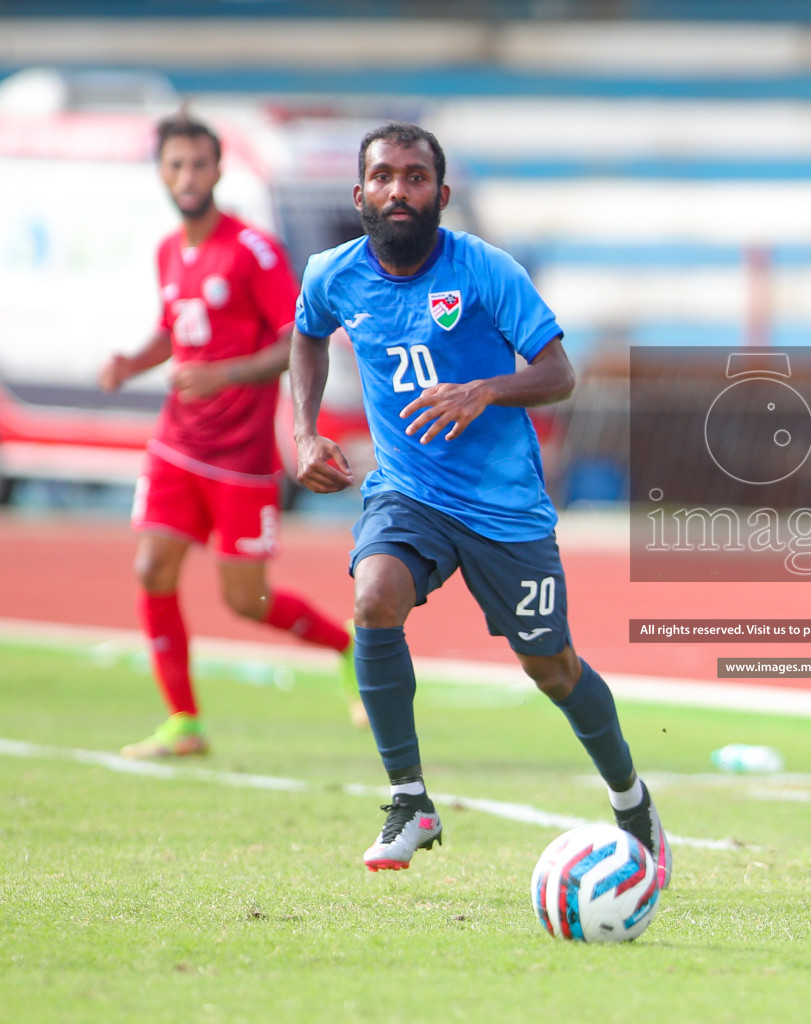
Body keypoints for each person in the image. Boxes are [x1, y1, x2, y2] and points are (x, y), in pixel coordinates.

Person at [289, 122, 670, 879]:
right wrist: (302, 434)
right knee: (374, 599)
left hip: (504, 509)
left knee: (551, 667)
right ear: (359, 192)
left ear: (442, 194)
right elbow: (307, 335)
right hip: (408, 492)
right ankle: (409, 801)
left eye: (416, 177)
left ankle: (631, 800)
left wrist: (483, 389)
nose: (400, 190)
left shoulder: (486, 271)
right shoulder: (332, 274)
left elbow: (560, 373)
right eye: (386, 176)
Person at [99, 112, 355, 760]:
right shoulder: (168, 251)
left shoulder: (252, 250)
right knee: (152, 567)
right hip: (176, 446)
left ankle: (347, 644)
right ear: (162, 172)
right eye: (175, 165)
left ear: (217, 170)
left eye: (198, 164)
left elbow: (297, 336)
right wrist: (134, 362)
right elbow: (174, 329)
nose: (187, 176)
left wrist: (224, 375)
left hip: (240, 460)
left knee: (245, 600)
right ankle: (184, 721)